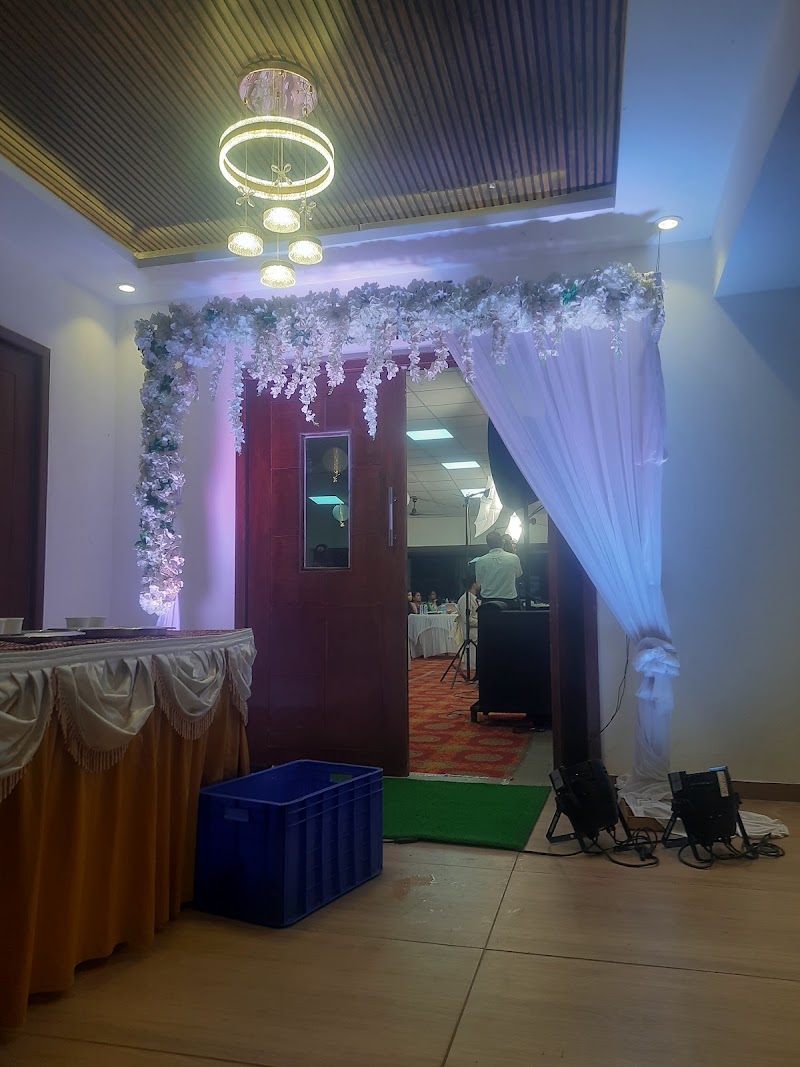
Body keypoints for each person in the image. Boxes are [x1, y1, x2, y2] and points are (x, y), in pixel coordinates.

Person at [474, 529, 523, 607]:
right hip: (509, 601)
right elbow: (518, 575)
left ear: (488, 544)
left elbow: (479, 582)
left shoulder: (480, 561)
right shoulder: (514, 558)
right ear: (502, 542)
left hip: (488, 602)